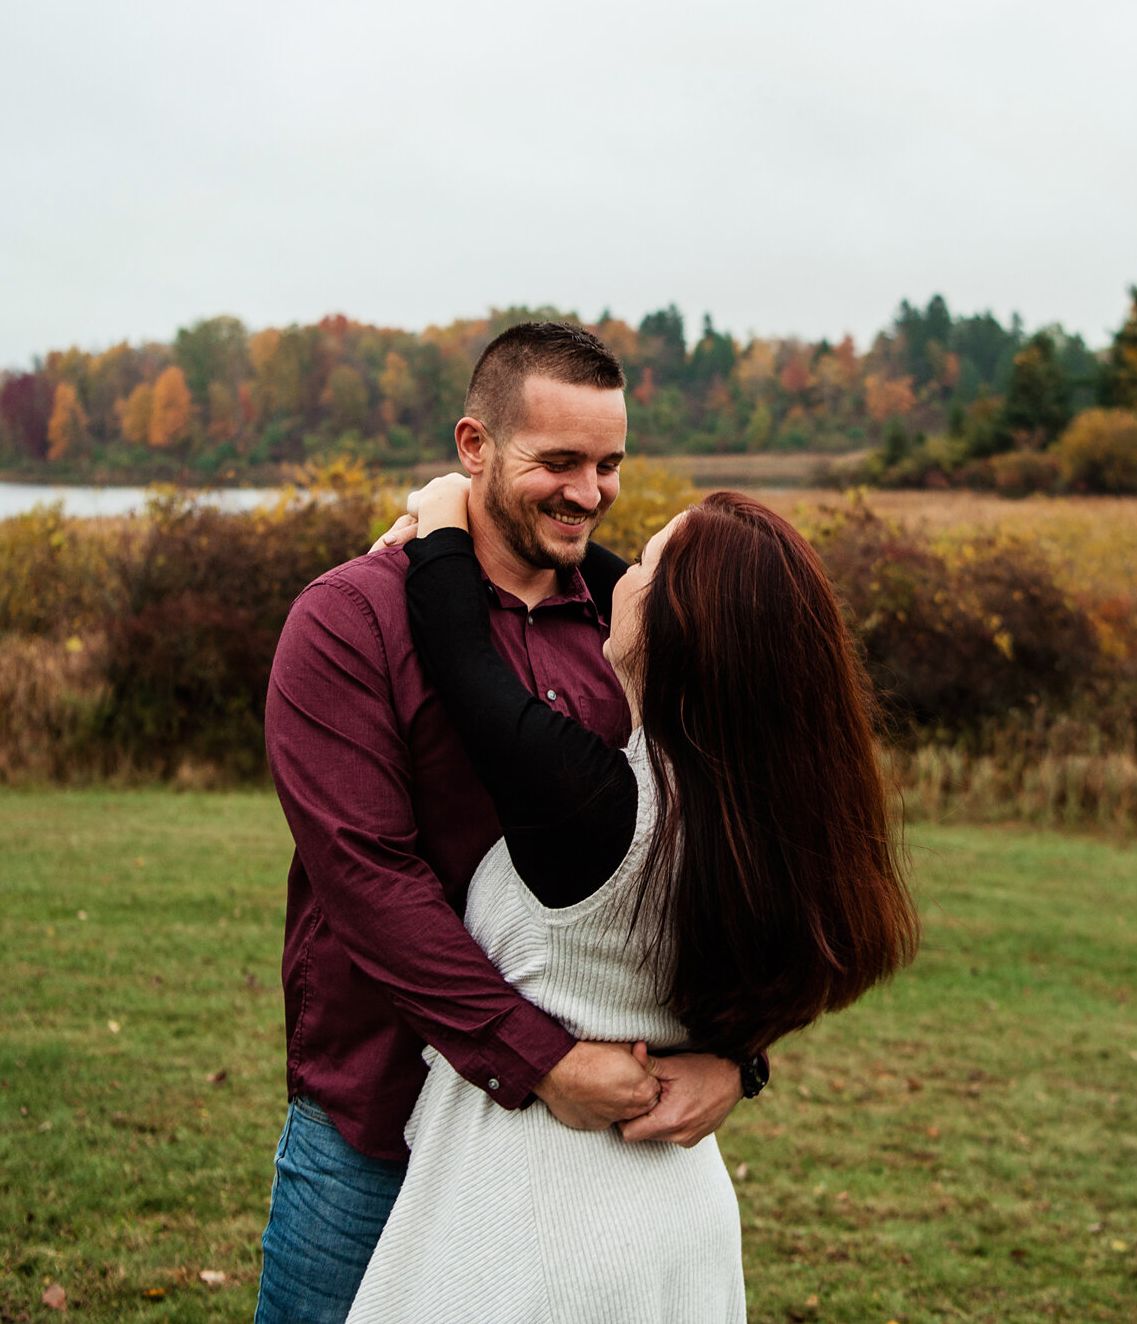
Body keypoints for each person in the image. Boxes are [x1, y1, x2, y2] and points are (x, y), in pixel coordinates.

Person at [256, 323, 750, 1324]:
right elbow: (368, 880)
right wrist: (539, 1062)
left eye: (609, 464)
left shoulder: (639, 626)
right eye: (557, 461)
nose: (588, 491)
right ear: (473, 447)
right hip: (376, 1125)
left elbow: (723, 847)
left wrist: (740, 1054)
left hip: (581, 1154)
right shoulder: (351, 620)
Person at [345, 477, 918, 1321]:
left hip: (538, 1227)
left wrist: (444, 516)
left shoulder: (592, 801)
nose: (620, 573)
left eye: (645, 559)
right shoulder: (774, 823)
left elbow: (463, 656)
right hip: (680, 1212)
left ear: (675, 628)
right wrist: (741, 1062)